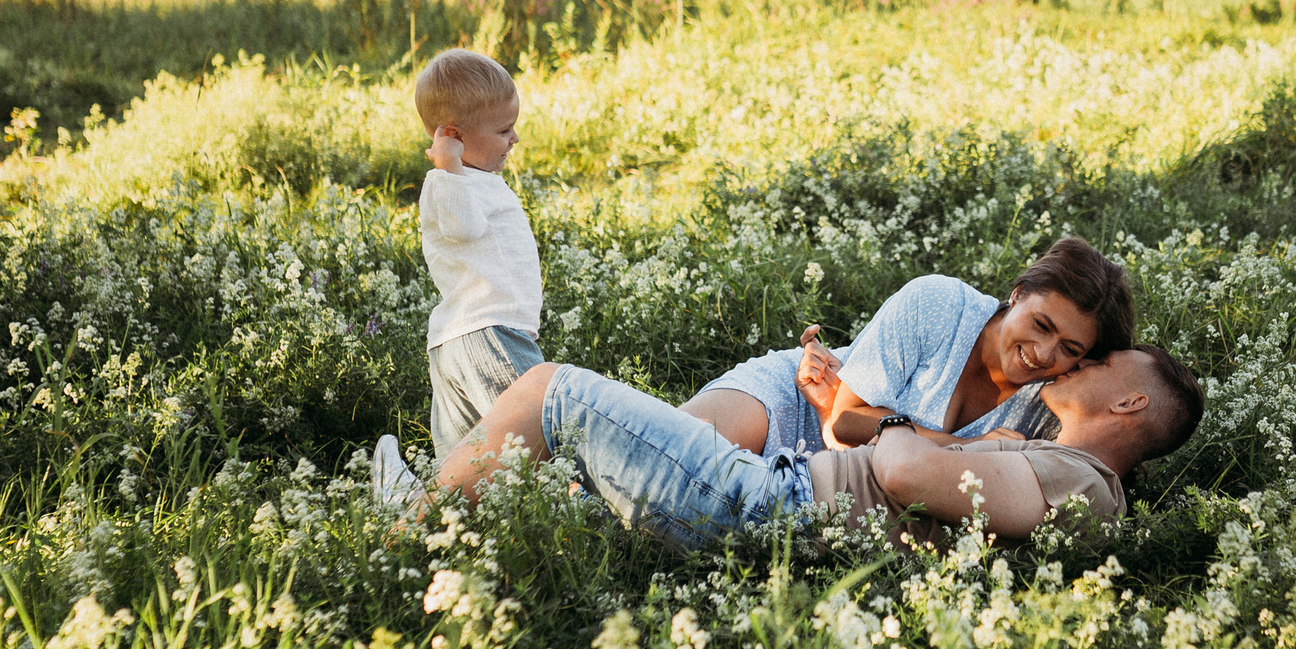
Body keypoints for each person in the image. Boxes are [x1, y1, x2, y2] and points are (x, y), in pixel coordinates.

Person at [437, 345, 1204, 551]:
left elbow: (903, 471)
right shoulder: (1070, 475)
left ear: (1130, 401)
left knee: (549, 389)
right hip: (778, 496)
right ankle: (437, 512)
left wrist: (881, 423)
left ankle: (406, 524)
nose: (1075, 366)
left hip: (770, 506)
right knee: (562, 492)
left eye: (1098, 365)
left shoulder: (1086, 486)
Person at [682, 237, 1136, 459]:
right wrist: (967, 446)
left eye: (1069, 348)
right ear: (1017, 293)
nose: (1042, 353)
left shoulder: (1057, 399)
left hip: (854, 489)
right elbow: (844, 420)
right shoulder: (938, 303)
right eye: (1041, 325)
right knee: (680, 450)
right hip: (802, 397)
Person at [373, 49, 543, 502]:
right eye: (504, 131)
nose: (514, 139)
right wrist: (447, 166)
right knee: (537, 439)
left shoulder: (471, 180)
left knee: (472, 466)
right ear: (453, 136)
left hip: (465, 336)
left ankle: (411, 503)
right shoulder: (447, 183)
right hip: (488, 332)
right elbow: (465, 228)